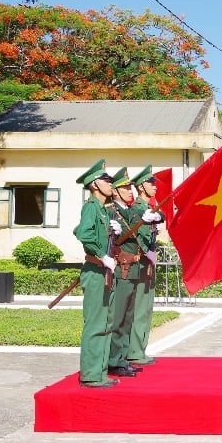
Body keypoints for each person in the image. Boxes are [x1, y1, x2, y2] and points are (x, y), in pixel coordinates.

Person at [73, 159, 121, 388]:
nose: (111, 184)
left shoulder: (103, 210)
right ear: (94, 184)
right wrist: (102, 255)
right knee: (95, 324)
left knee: (106, 322)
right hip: (96, 270)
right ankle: (91, 374)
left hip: (105, 271)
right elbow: (83, 233)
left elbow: (80, 229)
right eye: (106, 180)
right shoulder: (91, 206)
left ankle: (100, 371)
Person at [126, 165, 164, 366]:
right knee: (140, 307)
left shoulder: (147, 208)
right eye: (151, 183)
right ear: (141, 187)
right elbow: (136, 234)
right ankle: (135, 351)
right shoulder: (138, 208)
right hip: (140, 263)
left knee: (146, 307)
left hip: (147, 262)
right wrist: (147, 251)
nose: (155, 187)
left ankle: (139, 349)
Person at [106, 167, 142, 378]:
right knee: (118, 316)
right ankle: (114, 360)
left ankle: (123, 357)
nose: (131, 191)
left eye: (130, 187)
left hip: (133, 267)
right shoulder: (111, 212)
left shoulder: (129, 212)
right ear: (116, 191)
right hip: (121, 269)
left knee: (128, 316)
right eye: (125, 188)